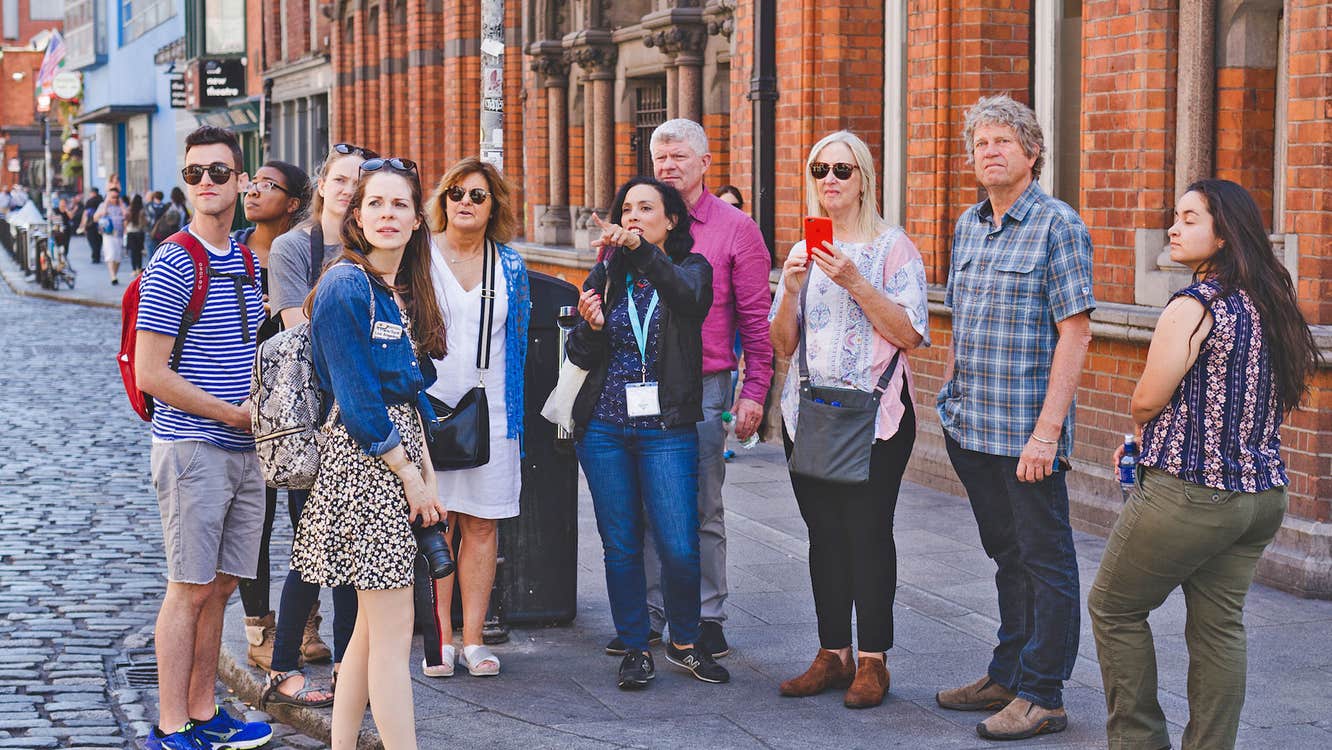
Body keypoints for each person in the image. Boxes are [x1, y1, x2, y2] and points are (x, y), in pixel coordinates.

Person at [1088, 180, 1317, 750]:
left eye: (1189, 218)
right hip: (1261, 498)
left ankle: (1139, 743)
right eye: (1175, 216)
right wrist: (1155, 437)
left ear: (1224, 234)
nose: (1173, 227)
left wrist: (1146, 427)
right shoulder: (1270, 305)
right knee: (1219, 630)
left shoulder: (1195, 305)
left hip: (1192, 493)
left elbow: (1146, 398)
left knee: (1114, 608)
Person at [932, 94, 1096, 741]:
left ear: (1032, 152)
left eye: (1003, 140)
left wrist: (1048, 434)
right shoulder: (968, 226)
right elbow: (958, 323)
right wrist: (948, 395)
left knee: (1045, 560)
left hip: (1027, 438)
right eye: (981, 143)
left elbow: (1075, 334)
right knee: (1006, 555)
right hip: (970, 428)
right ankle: (1009, 671)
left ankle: (1044, 694)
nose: (990, 151)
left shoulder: (1059, 226)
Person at [291, 156, 448, 749]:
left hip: (395, 462)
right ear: (354, 216)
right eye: (375, 203)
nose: (387, 214)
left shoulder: (392, 288)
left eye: (400, 204)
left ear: (415, 221)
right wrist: (409, 473)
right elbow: (357, 401)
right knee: (391, 632)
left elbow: (408, 396)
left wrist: (424, 474)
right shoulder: (345, 283)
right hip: (367, 469)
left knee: (367, 632)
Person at [769, 131, 929, 709]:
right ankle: (832, 652)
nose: (829, 180)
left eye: (842, 169)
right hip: (809, 412)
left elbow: (911, 333)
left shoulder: (893, 248)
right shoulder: (802, 249)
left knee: (867, 532)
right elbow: (783, 346)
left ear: (863, 177)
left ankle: (873, 660)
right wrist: (789, 291)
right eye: (819, 170)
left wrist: (855, 282)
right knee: (823, 535)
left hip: (877, 416)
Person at [135, 126, 272, 750]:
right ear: (186, 183)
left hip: (246, 450)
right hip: (194, 447)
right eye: (196, 173)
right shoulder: (173, 261)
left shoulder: (244, 259)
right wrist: (230, 414)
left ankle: (204, 709)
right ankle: (170, 725)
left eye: (220, 171)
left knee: (221, 586)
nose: (208, 182)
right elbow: (151, 373)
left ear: (242, 182)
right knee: (188, 588)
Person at [620, 119, 771, 660]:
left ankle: (707, 615)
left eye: (679, 157)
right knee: (641, 504)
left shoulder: (735, 229)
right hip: (636, 382)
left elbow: (756, 319)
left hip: (706, 383)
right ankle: (653, 611)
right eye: (660, 157)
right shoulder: (633, 221)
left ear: (706, 163)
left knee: (701, 504)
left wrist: (754, 389)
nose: (667, 167)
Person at [568, 176, 727, 690]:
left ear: (671, 220)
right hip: (605, 429)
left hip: (665, 429)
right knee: (621, 544)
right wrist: (589, 329)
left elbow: (689, 299)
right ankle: (636, 646)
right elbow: (578, 356)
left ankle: (684, 640)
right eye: (626, 209)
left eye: (645, 208)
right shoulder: (604, 274)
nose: (633, 216)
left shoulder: (690, 268)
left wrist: (639, 251)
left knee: (680, 545)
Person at [262, 144, 377, 705]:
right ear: (322, 184)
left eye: (361, 181)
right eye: (341, 178)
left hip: (368, 416)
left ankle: (346, 675)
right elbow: (297, 329)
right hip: (318, 419)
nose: (349, 188)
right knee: (313, 552)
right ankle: (283, 664)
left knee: (357, 559)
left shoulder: (375, 245)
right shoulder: (294, 247)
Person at [418, 157, 529, 678]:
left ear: (494, 207)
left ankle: (474, 638)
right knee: (436, 524)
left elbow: (521, 345)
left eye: (477, 195)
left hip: (494, 411)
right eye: (456, 193)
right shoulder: (419, 258)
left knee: (482, 526)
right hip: (429, 410)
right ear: (442, 201)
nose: (465, 202)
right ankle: (438, 638)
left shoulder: (509, 265)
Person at [226, 160, 326, 692]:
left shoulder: (307, 250)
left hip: (298, 407)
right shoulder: (233, 250)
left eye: (269, 185)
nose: (253, 190)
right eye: (252, 182)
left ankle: (305, 621)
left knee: (307, 516)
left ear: (293, 201)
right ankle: (259, 627)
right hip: (246, 404)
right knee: (256, 523)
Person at [93, 187, 127, 284]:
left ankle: (114, 275)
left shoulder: (121, 205)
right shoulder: (103, 205)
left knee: (118, 257)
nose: (115, 199)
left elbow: (126, 215)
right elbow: (95, 218)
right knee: (110, 255)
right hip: (108, 234)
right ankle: (113, 276)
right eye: (112, 197)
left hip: (119, 234)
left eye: (117, 197)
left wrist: (121, 204)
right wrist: (106, 204)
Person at [125, 194, 148, 273]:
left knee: (133, 252)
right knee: (139, 251)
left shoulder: (129, 209)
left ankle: (134, 269)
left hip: (130, 232)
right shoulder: (142, 210)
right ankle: (139, 268)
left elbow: (126, 221)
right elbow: (144, 223)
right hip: (139, 233)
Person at [82, 187, 103, 263]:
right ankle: (97, 255)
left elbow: (86, 214)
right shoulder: (101, 200)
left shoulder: (89, 201)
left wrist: (83, 225)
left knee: (92, 241)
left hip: (90, 223)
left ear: (93, 193)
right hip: (100, 224)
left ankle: (95, 256)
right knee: (99, 241)